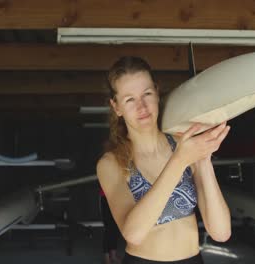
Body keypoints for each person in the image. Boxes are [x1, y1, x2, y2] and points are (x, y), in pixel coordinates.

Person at [96, 56, 231, 264]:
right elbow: (133, 234)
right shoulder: (111, 163)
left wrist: (203, 160)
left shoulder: (184, 144)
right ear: (116, 107)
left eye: (147, 94)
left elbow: (221, 233)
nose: (141, 106)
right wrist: (179, 161)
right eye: (129, 99)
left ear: (157, 93)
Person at [100, 186, 122, 264]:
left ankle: (113, 255)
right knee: (108, 227)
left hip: (117, 196)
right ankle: (107, 258)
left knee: (115, 227)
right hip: (106, 195)